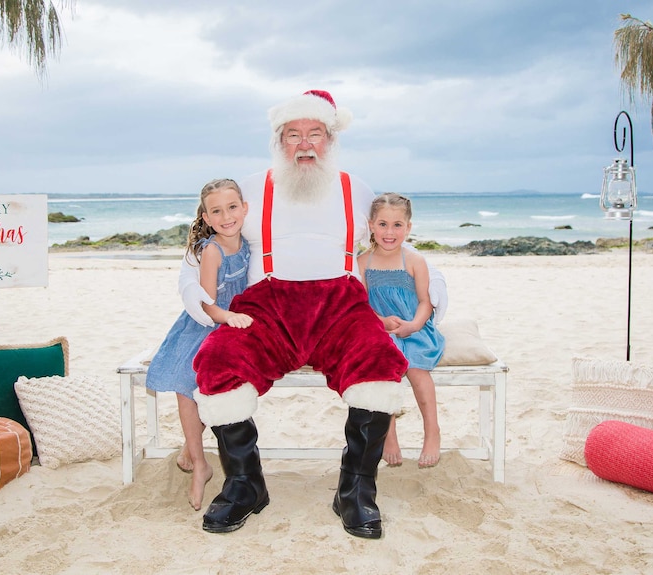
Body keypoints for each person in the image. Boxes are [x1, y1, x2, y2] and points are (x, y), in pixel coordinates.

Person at [179, 90, 448, 539]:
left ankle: (356, 488)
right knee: (218, 361)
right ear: (278, 141)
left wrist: (433, 297)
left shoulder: (356, 189)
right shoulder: (248, 188)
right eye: (293, 135)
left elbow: (396, 243)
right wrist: (206, 309)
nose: (305, 144)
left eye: (315, 134)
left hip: (340, 307)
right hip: (266, 308)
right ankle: (245, 485)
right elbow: (201, 253)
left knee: (380, 362)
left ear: (331, 138)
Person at [145, 178, 252, 511]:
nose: (226, 216)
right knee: (184, 381)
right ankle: (199, 461)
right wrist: (228, 317)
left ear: (245, 209)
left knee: (212, 383)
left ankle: (190, 449)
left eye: (232, 207)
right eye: (217, 211)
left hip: (236, 323)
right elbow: (207, 303)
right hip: (207, 323)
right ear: (206, 217)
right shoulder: (211, 251)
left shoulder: (249, 244)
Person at [358, 193, 445, 469]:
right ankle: (389, 433)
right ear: (371, 225)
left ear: (408, 227)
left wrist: (415, 324)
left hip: (413, 327)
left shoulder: (414, 260)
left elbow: (425, 301)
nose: (389, 232)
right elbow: (360, 305)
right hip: (379, 329)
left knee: (417, 371)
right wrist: (381, 322)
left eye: (397, 225)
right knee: (384, 367)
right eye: (383, 224)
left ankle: (432, 432)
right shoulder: (363, 263)